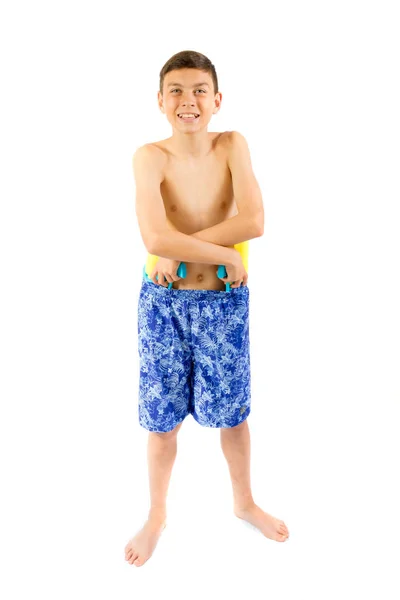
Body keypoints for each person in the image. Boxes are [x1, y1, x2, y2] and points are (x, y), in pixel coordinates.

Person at [125, 50, 289, 568]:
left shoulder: (231, 145)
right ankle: (156, 514)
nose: (187, 100)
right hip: (164, 304)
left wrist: (181, 247)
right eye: (175, 90)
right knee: (161, 423)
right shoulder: (150, 157)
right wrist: (217, 250)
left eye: (199, 90)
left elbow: (256, 219)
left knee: (233, 418)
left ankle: (244, 502)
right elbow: (153, 235)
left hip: (222, 305)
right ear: (159, 101)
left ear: (217, 100)